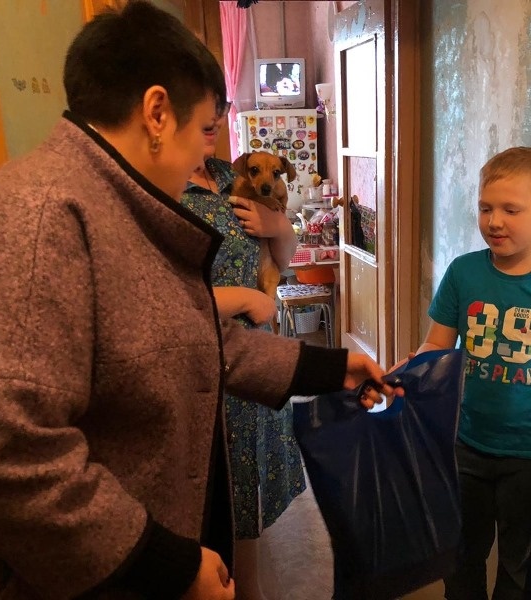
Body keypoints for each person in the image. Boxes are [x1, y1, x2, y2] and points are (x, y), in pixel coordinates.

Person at [0, 3, 396, 599]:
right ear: (157, 113)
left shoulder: (118, 206)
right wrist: (165, 565)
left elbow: (190, 338)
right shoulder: (33, 222)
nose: (202, 162)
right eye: (203, 131)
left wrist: (330, 368)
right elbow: (1, 452)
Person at [412, 147, 531, 599]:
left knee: (521, 564)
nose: (494, 221)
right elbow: (437, 345)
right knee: (460, 556)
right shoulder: (463, 273)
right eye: (485, 208)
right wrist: (410, 373)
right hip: (466, 443)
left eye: (510, 210)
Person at [180, 117, 301, 600]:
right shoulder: (168, 191)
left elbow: (282, 260)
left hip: (256, 353)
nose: (213, 119)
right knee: (212, 488)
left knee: (248, 484)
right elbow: (166, 296)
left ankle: (248, 588)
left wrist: (280, 226)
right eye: (203, 108)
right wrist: (247, 299)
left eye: (220, 107)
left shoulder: (227, 177)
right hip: (204, 354)